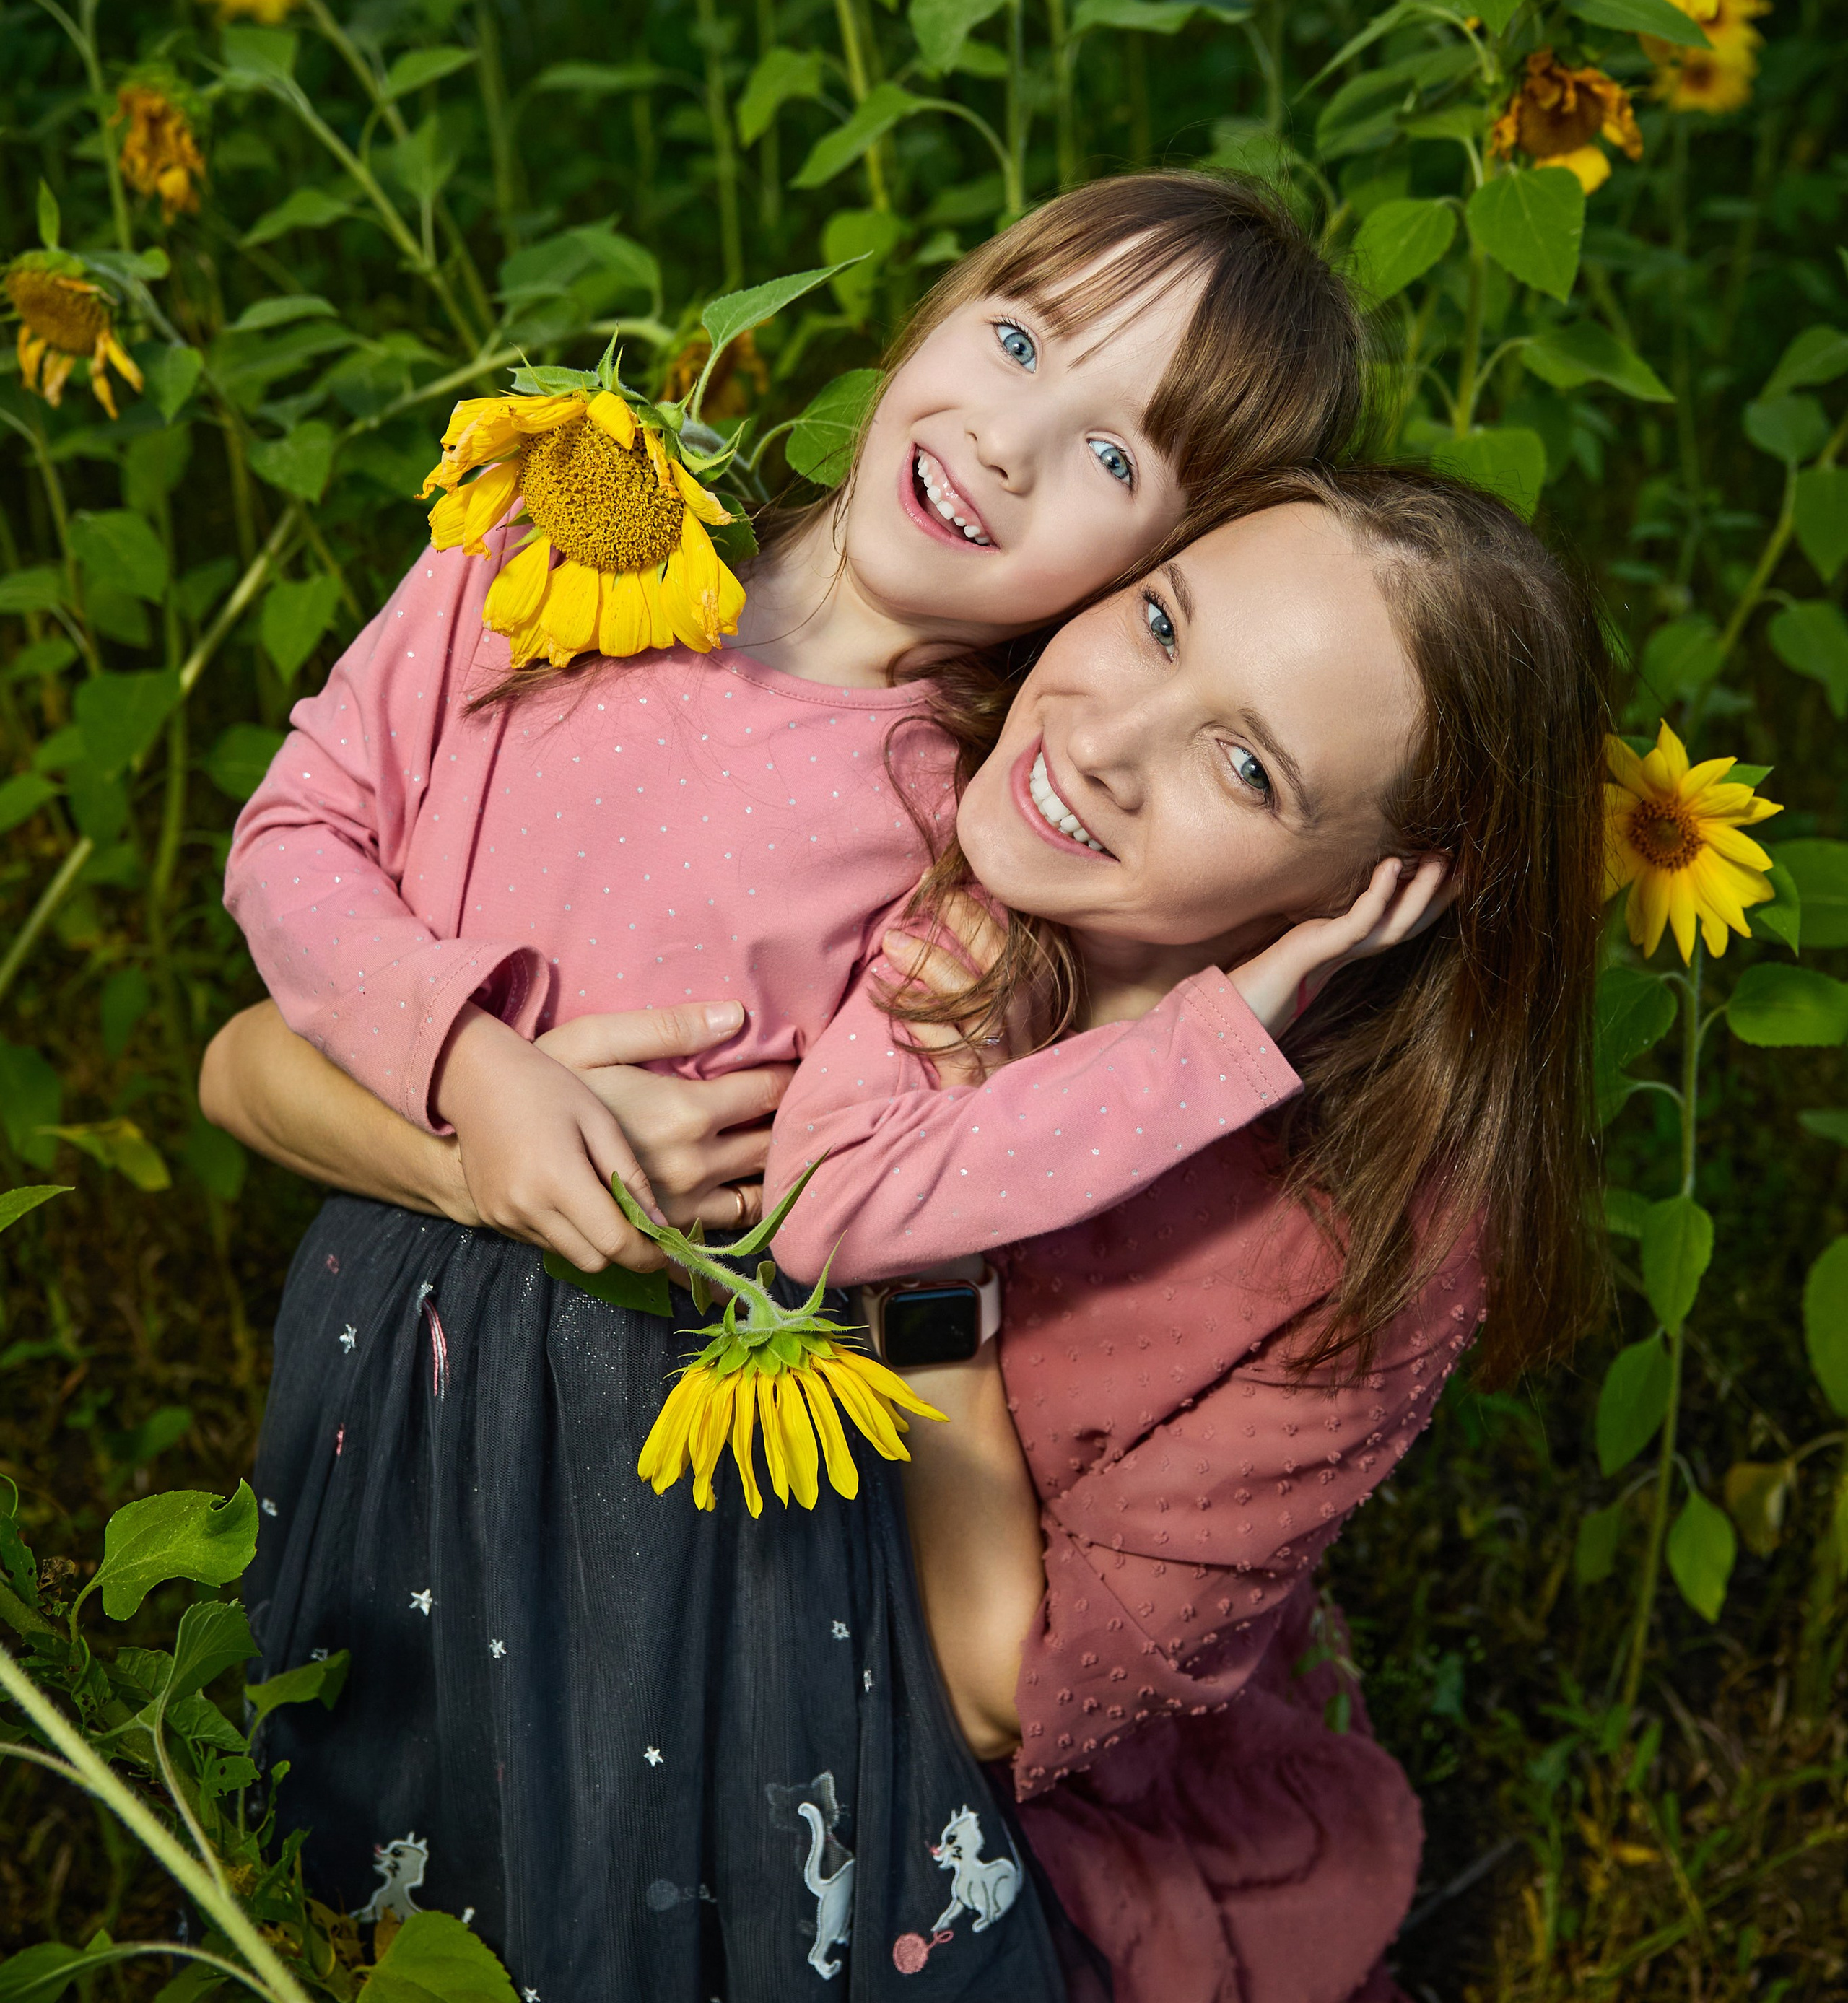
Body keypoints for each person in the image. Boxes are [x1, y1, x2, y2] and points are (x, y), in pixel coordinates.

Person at [213, 173, 1366, 2002]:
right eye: (1017, 339)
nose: (1006, 443)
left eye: (1109, 458)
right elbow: (299, 832)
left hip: (652, 1418)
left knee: (614, 1846)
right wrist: (471, 1064)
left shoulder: (968, 819)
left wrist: (1212, 1042)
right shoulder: (568, 527)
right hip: (392, 1306)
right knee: (381, 1770)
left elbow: (861, 1185)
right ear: (940, 304)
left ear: (1147, 571)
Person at [759, 466, 1609, 2003]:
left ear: (1388, 890)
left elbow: (997, 1688)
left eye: (1244, 765)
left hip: (978, 1782)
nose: (1101, 741)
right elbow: (307, 1057)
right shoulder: (891, 774)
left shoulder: (1368, 1241)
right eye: (1158, 621)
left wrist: (932, 1259)